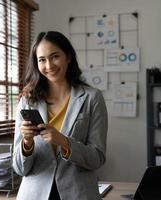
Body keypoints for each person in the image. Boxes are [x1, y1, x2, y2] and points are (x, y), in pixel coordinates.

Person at [12, 31, 108, 200]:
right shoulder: (27, 101)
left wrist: (64, 142)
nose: (49, 65)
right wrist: (27, 143)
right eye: (42, 60)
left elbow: (97, 158)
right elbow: (20, 169)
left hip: (79, 194)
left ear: (68, 57)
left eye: (55, 56)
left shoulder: (92, 98)